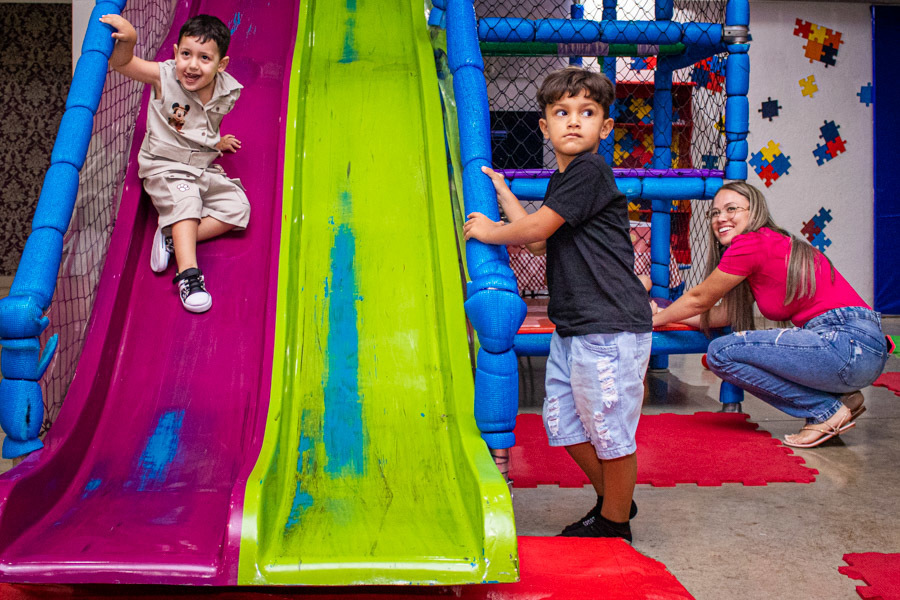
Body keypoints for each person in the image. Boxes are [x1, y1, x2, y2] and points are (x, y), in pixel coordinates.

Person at [464, 67, 652, 541]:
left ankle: (614, 522)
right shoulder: (562, 181)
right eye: (561, 113)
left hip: (609, 324)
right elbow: (539, 243)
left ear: (604, 128)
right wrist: (507, 196)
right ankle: (617, 499)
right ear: (545, 126)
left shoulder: (590, 171)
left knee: (610, 430)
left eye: (587, 113)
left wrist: (489, 230)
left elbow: (534, 233)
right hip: (575, 326)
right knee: (563, 423)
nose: (574, 121)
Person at [652, 181, 888, 448]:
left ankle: (825, 410)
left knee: (719, 353)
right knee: (725, 349)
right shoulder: (770, 244)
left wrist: (651, 320)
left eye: (731, 209)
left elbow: (699, 299)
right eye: (714, 213)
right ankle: (843, 399)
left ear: (754, 212)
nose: (721, 218)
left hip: (843, 343)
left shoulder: (750, 243)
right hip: (865, 351)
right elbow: (722, 315)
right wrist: (667, 314)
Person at [99, 13, 250, 313]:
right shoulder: (164, 76)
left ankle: (170, 237)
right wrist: (128, 40)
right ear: (175, 53)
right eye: (186, 54)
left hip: (201, 165)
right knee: (187, 202)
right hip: (165, 165)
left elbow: (206, 121)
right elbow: (123, 64)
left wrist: (215, 142)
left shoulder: (226, 89)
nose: (192, 65)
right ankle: (188, 276)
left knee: (239, 209)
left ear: (221, 65)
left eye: (204, 58)